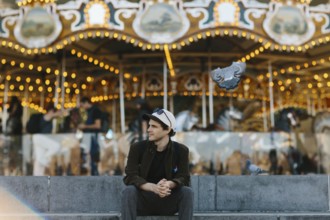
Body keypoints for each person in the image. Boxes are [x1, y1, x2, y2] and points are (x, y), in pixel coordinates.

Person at [121, 108, 194, 220]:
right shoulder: (137, 148)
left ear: (167, 129)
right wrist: (153, 187)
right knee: (129, 191)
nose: (148, 130)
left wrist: (169, 184)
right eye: (149, 126)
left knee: (187, 192)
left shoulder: (181, 150)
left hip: (168, 200)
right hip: (143, 201)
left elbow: (184, 177)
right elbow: (130, 176)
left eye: (154, 126)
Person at [78, 96, 102, 176]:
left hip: (93, 136)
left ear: (86, 103)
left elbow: (98, 125)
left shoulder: (95, 111)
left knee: (93, 154)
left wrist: (85, 126)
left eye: (82, 105)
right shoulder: (87, 112)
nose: (82, 107)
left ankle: (94, 172)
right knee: (87, 154)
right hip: (88, 136)